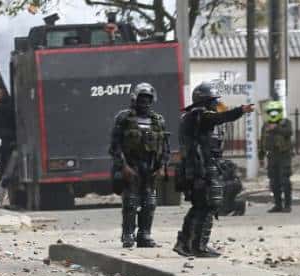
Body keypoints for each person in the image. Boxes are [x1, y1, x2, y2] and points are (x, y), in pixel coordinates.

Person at [176, 82, 254, 257]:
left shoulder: (194, 117)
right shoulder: (199, 115)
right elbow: (219, 118)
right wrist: (240, 110)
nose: (215, 104)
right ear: (205, 101)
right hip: (201, 168)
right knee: (208, 205)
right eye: (213, 101)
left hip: (200, 166)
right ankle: (199, 246)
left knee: (200, 206)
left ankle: (184, 243)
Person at [109, 82, 167, 248]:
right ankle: (128, 235)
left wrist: (162, 166)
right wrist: (123, 166)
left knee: (149, 203)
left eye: (148, 99)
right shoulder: (124, 118)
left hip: (150, 167)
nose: (145, 102)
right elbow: (115, 146)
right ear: (135, 98)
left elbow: (165, 147)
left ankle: (144, 235)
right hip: (131, 165)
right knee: (131, 202)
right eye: (142, 98)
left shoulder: (158, 120)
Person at [259, 100, 295, 213]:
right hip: (271, 156)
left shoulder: (286, 123)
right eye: (271, 112)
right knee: (274, 182)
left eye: (276, 112)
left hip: (284, 156)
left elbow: (288, 132)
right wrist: (261, 156)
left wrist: (276, 128)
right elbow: (262, 141)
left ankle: (287, 205)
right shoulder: (265, 125)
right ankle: (278, 204)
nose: (273, 114)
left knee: (285, 180)